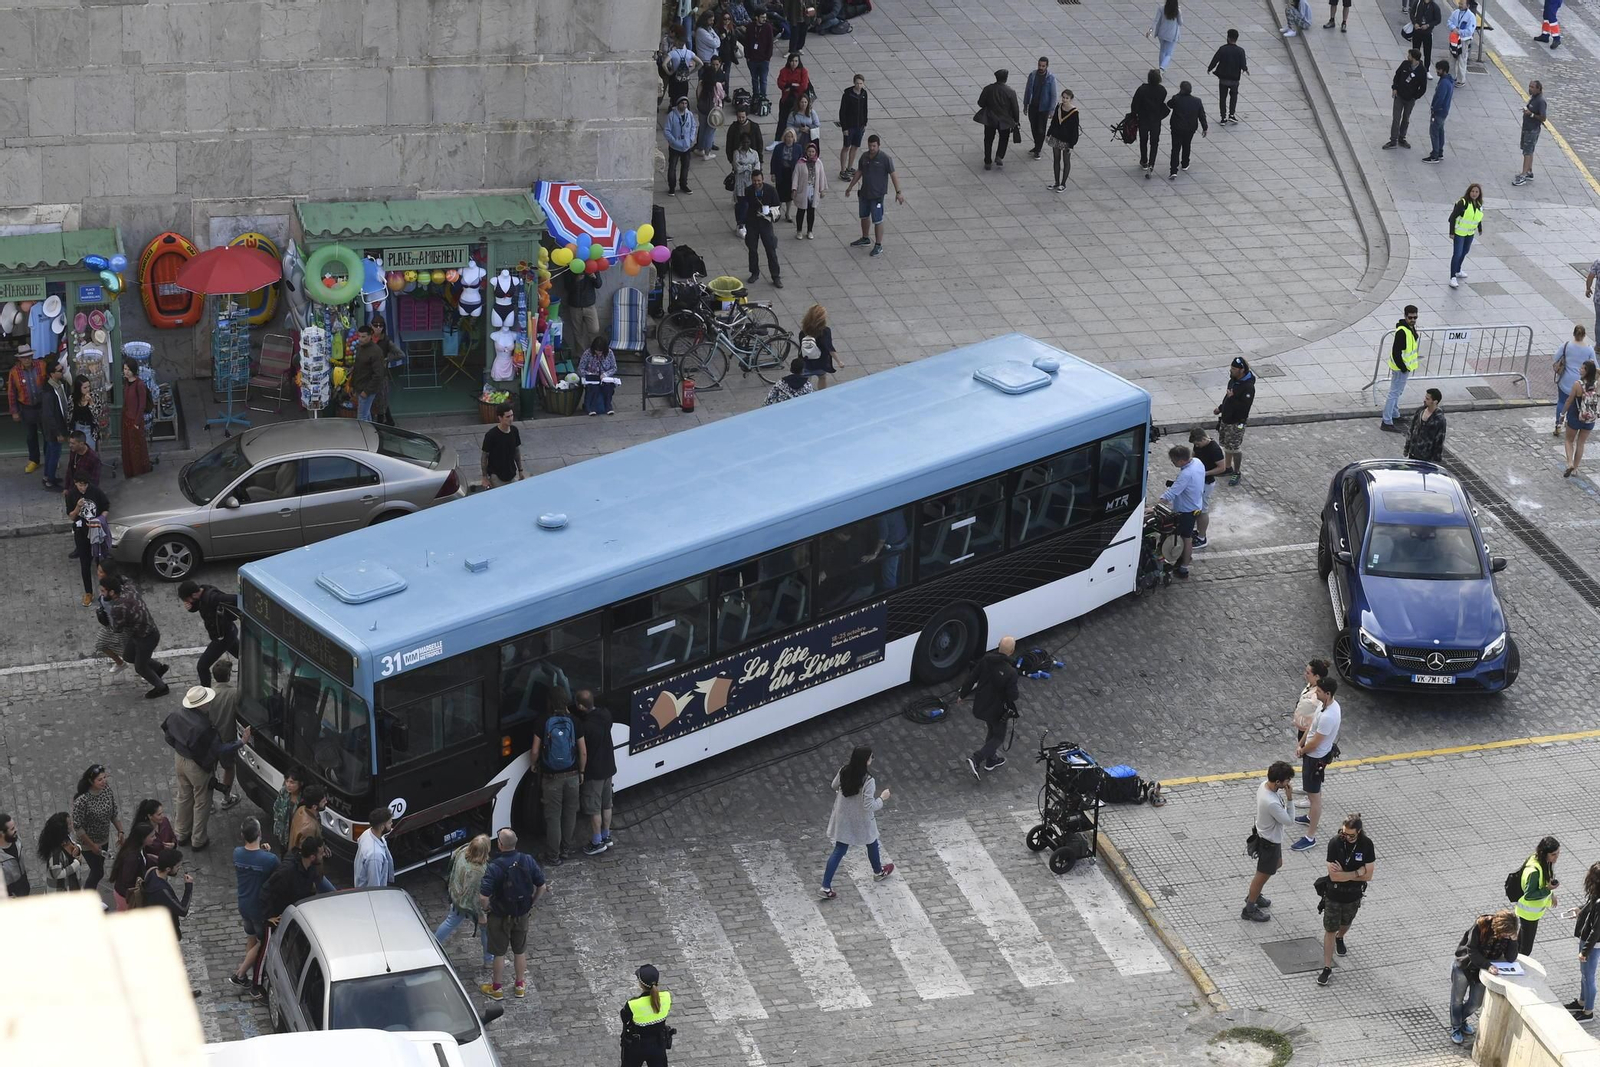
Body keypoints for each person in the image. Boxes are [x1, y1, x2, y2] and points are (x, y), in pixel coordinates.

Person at [163, 687, 251, 851]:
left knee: (184, 796)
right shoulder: (204, 727)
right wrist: (241, 742)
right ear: (201, 705)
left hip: (180, 759)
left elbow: (168, 737)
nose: (210, 703)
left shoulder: (176, 715)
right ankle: (198, 839)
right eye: (207, 702)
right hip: (197, 767)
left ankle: (181, 833)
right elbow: (219, 750)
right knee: (202, 801)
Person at [478, 828, 549, 1000]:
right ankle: (519, 986)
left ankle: (496, 988)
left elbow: (483, 896)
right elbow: (542, 886)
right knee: (520, 950)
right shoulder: (528, 860)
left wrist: (487, 909)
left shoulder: (494, 867)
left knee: (499, 953)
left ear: (500, 845)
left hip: (500, 915)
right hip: (521, 913)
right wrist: (531, 902)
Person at [818, 746, 895, 900]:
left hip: (843, 817)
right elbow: (869, 806)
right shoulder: (868, 780)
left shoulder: (844, 770)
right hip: (861, 819)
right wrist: (882, 798)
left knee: (839, 849)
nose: (872, 759)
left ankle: (825, 886)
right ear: (866, 760)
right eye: (871, 757)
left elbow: (834, 786)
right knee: (872, 841)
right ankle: (878, 872)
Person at [1315, 814, 1375, 985]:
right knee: (1329, 929)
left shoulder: (1366, 845)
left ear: (1359, 832)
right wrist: (1357, 872)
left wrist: (1347, 874)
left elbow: (1369, 875)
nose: (1347, 837)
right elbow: (1334, 877)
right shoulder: (1335, 843)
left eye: (1351, 835)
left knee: (1346, 923)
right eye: (1344, 833)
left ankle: (1341, 937)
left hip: (1353, 895)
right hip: (1334, 894)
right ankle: (1327, 967)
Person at [530, 689, 587, 865]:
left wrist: (533, 764)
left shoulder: (543, 721)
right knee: (570, 813)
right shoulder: (575, 721)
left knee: (553, 817)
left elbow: (535, 750)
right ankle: (566, 850)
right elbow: (583, 751)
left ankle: (553, 856)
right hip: (572, 775)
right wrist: (582, 771)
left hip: (551, 778)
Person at [103, 552, 171, 695]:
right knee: (128, 656)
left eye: (104, 591)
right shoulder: (129, 589)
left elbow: (117, 629)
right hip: (145, 632)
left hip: (146, 638)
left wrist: (104, 618)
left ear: (112, 592)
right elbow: (125, 579)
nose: (102, 593)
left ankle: (161, 688)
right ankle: (159, 668)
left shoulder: (118, 608)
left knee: (140, 667)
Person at [1451, 910, 1519, 1043]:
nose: (1506, 936)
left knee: (1475, 1003)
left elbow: (1511, 958)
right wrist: (1487, 965)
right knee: (1457, 1000)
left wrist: (1514, 940)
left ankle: (1460, 1020)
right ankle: (1456, 1027)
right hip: (1465, 965)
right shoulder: (1481, 924)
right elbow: (1471, 950)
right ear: (1499, 929)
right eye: (1505, 934)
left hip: (1483, 970)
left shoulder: (1511, 932)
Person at [228, 817, 278, 996]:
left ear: (242, 835)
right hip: (259, 908)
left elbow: (251, 857)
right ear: (259, 834)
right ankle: (240, 973)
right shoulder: (270, 860)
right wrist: (267, 852)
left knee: (251, 938)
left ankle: (246, 974)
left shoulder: (237, 853)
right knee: (263, 941)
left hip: (243, 904)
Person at [958, 636, 1019, 779]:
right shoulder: (1011, 672)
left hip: (981, 705)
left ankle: (991, 760)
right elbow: (1013, 696)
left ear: (998, 646)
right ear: (1012, 651)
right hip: (997, 710)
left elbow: (972, 677)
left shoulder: (986, 660)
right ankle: (977, 758)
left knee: (992, 731)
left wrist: (962, 694)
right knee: (998, 737)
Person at [1291, 675, 1341, 852]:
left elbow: (1317, 741)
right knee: (1313, 792)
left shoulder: (1329, 715)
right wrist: (1301, 743)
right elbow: (1312, 727)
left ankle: (1310, 837)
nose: (1316, 693)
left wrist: (1302, 750)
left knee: (1314, 797)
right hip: (1311, 754)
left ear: (1327, 693)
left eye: (1319, 691)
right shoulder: (1325, 705)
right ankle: (1309, 817)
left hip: (1315, 757)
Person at [1243, 761, 1296, 922]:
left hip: (1269, 837)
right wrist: (1290, 799)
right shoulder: (1272, 802)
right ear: (1278, 782)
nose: (1289, 783)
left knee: (1277, 864)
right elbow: (1289, 820)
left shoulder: (1263, 785)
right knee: (1261, 877)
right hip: (1269, 842)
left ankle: (1255, 894)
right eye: (1287, 780)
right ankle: (1250, 907)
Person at [435, 833, 494, 973]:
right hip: (467, 903)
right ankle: (489, 960)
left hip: (457, 897)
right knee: (486, 930)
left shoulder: (462, 851)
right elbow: (476, 896)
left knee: (450, 922)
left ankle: (432, 945)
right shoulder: (478, 871)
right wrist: (482, 913)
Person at [844, 135, 904, 258]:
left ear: (878, 145)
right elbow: (859, 172)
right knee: (864, 216)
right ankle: (865, 238)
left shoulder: (885, 158)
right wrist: (850, 187)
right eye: (870, 145)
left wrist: (898, 192)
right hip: (865, 193)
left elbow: (893, 175)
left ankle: (878, 244)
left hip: (877, 196)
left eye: (874, 146)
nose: (871, 148)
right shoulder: (864, 157)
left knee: (878, 220)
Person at [71, 763, 124, 892]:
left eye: (105, 777)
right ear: (91, 781)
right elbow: (78, 827)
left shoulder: (107, 790)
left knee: (99, 866)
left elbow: (113, 813)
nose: (104, 781)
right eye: (100, 779)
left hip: (103, 839)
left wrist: (120, 830)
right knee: (97, 872)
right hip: (88, 844)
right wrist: (92, 845)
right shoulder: (82, 801)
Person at [1155, 443, 1204, 578]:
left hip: (1185, 511)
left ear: (1181, 461)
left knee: (1183, 538)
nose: (1172, 463)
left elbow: (1171, 494)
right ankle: (1184, 561)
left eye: (1173, 461)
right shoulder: (1198, 462)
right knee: (1186, 536)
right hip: (1196, 506)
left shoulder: (1186, 474)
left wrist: (1155, 507)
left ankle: (1183, 567)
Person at [178, 579, 238, 687]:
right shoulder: (202, 591)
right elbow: (200, 605)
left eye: (188, 599)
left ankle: (206, 695)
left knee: (202, 666)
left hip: (223, 637)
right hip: (229, 632)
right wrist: (192, 608)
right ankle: (273, 662)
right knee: (243, 654)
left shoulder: (213, 598)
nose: (187, 602)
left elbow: (235, 599)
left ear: (194, 594)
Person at [65, 469, 111, 606]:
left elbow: (106, 507)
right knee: (85, 563)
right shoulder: (72, 494)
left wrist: (100, 519)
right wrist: (78, 507)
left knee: (100, 562)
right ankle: (88, 593)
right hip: (82, 534)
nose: (83, 487)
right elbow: (72, 516)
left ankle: (105, 591)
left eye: (85, 485)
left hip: (96, 531)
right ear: (75, 483)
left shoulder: (95, 491)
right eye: (80, 485)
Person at [1291, 661, 1330, 810]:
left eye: (1308, 673)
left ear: (1317, 676)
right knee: (1306, 763)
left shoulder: (1319, 696)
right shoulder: (1312, 687)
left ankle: (1312, 795)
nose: (1305, 674)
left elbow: (1316, 716)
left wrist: (1302, 743)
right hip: (1304, 728)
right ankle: (1308, 787)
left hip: (1311, 732)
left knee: (1312, 765)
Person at [1514, 836, 1562, 953]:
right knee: (1526, 949)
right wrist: (1548, 890)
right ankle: (1517, 965)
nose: (1556, 857)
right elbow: (1529, 895)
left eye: (1558, 853)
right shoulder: (1534, 871)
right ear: (1545, 853)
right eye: (1553, 854)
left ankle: (1512, 957)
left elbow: (1545, 881)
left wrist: (1551, 893)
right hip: (1529, 914)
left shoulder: (1542, 861)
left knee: (1520, 941)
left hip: (1531, 913)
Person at [621, 964, 674, 1067]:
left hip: (636, 1046)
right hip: (658, 1044)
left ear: (641, 984)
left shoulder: (633, 1004)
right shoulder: (666, 997)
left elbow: (624, 1018)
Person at [7, 343, 47, 474]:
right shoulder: (14, 372)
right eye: (24, 357)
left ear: (32, 356)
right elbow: (11, 392)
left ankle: (50, 458)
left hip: (42, 405)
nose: (27, 359)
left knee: (47, 433)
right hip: (26, 407)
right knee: (31, 435)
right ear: (20, 359)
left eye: (29, 356)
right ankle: (34, 460)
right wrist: (14, 411)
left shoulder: (42, 365)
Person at [1568, 861, 1599, 1021]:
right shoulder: (1597, 894)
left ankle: (1588, 1012)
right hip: (1588, 941)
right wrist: (1580, 910)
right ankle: (1581, 1002)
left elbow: (1596, 931)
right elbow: (1590, 905)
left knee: (1589, 976)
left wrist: (1585, 951)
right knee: (1584, 974)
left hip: (1592, 945)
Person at [742, 169, 783, 288]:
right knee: (752, 249)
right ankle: (754, 273)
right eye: (754, 181)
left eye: (759, 180)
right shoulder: (748, 190)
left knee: (771, 250)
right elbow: (746, 206)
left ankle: (776, 276)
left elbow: (777, 205)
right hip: (752, 223)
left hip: (766, 223)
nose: (756, 183)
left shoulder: (771, 190)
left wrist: (769, 212)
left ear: (763, 180)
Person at [1382, 306, 1420, 431]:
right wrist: (1403, 368)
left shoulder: (1410, 328)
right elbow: (1396, 352)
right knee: (1394, 393)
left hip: (1404, 367)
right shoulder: (1402, 332)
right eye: (1410, 317)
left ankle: (1394, 415)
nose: (1413, 320)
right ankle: (1386, 421)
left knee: (1397, 392)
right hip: (1400, 368)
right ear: (1405, 316)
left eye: (1415, 317)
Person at [141, 848, 193, 938]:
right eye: (177, 867)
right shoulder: (162, 890)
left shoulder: (152, 871)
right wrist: (189, 886)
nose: (179, 869)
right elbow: (183, 910)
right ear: (168, 869)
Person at [1188, 426, 1227, 547]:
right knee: (1196, 508)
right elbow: (1194, 455)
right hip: (1197, 480)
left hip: (1206, 482)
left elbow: (1222, 468)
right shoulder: (1198, 445)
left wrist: (1204, 473)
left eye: (1198, 443)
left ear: (1203, 439)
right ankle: (1198, 531)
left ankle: (1202, 537)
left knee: (1203, 510)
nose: (1197, 446)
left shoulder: (1215, 449)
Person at [1552, 326, 1594, 438]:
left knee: (1562, 401)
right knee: (1577, 404)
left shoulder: (1566, 346)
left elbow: (1555, 357)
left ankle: (1558, 425)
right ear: (1584, 335)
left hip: (1565, 380)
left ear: (1573, 334)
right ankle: (1574, 423)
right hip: (1581, 383)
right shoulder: (1589, 349)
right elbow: (1595, 366)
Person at [976, 69, 1020, 171]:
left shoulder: (988, 89)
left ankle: (987, 161)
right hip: (1004, 119)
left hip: (990, 119)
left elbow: (980, 103)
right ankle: (999, 155)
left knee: (988, 139)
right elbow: (1015, 108)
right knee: (1004, 138)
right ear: (1006, 78)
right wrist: (1016, 121)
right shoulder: (1010, 92)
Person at [1383, 49, 1428, 150]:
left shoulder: (1421, 71)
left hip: (1410, 99)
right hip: (1399, 96)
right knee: (1396, 118)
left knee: (1406, 118)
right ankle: (1393, 140)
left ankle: (1402, 138)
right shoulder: (1405, 64)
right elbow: (1397, 76)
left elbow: (1423, 87)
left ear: (1413, 57)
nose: (1408, 56)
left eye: (1409, 55)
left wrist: (1415, 97)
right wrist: (1394, 88)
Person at [110, 821, 159, 910]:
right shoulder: (132, 858)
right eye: (152, 836)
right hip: (126, 897)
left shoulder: (138, 847)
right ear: (143, 838)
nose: (154, 838)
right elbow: (128, 880)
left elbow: (144, 860)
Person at [1561, 359, 1598, 477]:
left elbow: (1569, 401)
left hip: (1575, 415)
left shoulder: (1578, 384)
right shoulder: (1597, 384)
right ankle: (1576, 468)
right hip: (1590, 417)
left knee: (1569, 440)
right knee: (1581, 443)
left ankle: (1570, 463)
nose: (1580, 370)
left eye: (1582, 368)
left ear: (1586, 371)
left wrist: (1562, 415)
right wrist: (1593, 368)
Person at [1166, 80, 1207, 181]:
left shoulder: (1176, 99)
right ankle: (1185, 163)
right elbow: (1202, 115)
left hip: (1177, 128)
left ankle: (1173, 171)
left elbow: (1169, 104)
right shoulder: (1197, 101)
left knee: (1175, 149)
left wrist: (1178, 95)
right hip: (1190, 128)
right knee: (1187, 145)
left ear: (1181, 89)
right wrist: (1205, 127)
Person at [1132, 70, 1170, 178]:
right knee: (1154, 143)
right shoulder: (1162, 90)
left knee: (1143, 140)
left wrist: (1134, 115)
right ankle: (1151, 164)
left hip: (1143, 119)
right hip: (1155, 120)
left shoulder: (1141, 90)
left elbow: (1134, 104)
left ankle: (1144, 160)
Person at [37, 812, 86, 892]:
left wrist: (78, 848)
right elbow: (57, 874)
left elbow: (73, 845)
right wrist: (77, 863)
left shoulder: (65, 838)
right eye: (69, 824)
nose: (72, 825)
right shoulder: (55, 854)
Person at [1207, 30, 1248, 125]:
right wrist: (1245, 69)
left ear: (1228, 38)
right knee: (1233, 97)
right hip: (1234, 79)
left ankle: (1223, 117)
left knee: (1223, 98)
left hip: (1223, 78)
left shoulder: (1222, 49)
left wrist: (1210, 68)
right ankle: (1232, 115)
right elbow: (1243, 64)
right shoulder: (1240, 51)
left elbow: (1215, 60)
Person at [119, 361, 152, 478]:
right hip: (126, 420)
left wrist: (137, 422)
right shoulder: (127, 383)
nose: (126, 372)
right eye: (124, 369)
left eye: (128, 369)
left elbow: (142, 405)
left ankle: (140, 472)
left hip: (135, 421)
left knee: (137, 449)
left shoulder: (139, 385)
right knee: (128, 448)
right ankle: (130, 472)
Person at [480, 403, 525, 489]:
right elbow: (484, 456)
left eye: (512, 415)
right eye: (507, 417)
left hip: (511, 474)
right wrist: (484, 477)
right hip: (497, 476)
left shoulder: (514, 431)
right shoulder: (491, 435)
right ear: (500, 418)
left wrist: (520, 470)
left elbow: (516, 451)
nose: (511, 419)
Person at [40, 360, 69, 490]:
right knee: (54, 454)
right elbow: (49, 415)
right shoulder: (48, 392)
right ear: (52, 374)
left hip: (56, 426)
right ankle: (50, 480)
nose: (62, 371)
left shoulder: (58, 386)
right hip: (53, 429)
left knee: (52, 453)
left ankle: (48, 477)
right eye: (59, 370)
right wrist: (58, 432)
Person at [562, 264, 603, 357]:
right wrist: (576, 281)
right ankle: (582, 356)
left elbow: (599, 284)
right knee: (578, 333)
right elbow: (567, 287)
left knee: (594, 329)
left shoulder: (592, 265)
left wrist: (594, 277)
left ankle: (594, 353)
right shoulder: (570, 267)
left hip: (589, 304)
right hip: (575, 305)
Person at [1022, 57, 1059, 159]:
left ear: (1047, 66)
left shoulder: (1050, 78)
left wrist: (1052, 110)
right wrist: (1026, 104)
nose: (1041, 67)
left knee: (1041, 129)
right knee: (1034, 127)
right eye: (1039, 65)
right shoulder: (1033, 75)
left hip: (1044, 108)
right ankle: (1036, 145)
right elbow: (1027, 90)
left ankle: (1038, 149)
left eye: (1043, 66)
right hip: (1033, 106)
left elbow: (1053, 95)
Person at [350, 325, 387, 422]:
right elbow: (357, 368)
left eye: (363, 337)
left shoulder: (376, 351)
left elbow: (378, 375)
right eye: (359, 336)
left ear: (370, 336)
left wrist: (366, 391)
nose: (360, 339)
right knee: (366, 415)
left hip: (366, 390)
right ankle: (372, 433)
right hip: (360, 387)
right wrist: (352, 385)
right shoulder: (360, 348)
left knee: (362, 418)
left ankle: (365, 436)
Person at [1045, 89, 1079, 192]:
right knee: (1056, 159)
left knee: (1066, 161)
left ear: (1071, 99)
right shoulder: (1059, 107)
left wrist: (1072, 145)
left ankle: (1063, 184)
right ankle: (1056, 182)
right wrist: (1048, 134)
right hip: (1056, 137)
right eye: (1063, 97)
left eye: (1067, 98)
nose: (1064, 100)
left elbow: (1074, 129)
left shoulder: (1074, 112)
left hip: (1066, 140)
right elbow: (1054, 121)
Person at [1514, 81, 1547, 187]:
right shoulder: (1533, 97)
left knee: (1527, 152)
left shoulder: (1541, 101)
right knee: (1529, 150)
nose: (1530, 88)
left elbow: (1543, 118)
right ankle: (1529, 171)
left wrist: (1531, 114)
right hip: (1527, 128)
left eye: (1532, 87)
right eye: (1529, 86)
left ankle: (1523, 175)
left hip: (1532, 130)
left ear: (1538, 89)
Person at [353, 806, 395, 888]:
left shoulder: (368, 832)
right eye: (389, 823)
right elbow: (374, 885)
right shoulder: (375, 855)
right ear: (382, 827)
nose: (392, 824)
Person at [792, 140, 826, 239]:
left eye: (813, 152)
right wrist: (794, 189)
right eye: (809, 151)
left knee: (811, 211)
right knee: (801, 210)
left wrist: (822, 189)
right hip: (803, 190)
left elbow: (822, 176)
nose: (811, 154)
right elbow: (796, 176)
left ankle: (810, 231)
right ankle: (799, 231)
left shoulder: (818, 163)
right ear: (806, 152)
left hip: (813, 191)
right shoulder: (800, 163)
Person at [664, 95, 697, 196]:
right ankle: (672, 187)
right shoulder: (672, 116)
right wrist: (673, 141)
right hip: (675, 146)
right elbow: (667, 130)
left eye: (686, 103)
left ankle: (683, 185)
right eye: (682, 103)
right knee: (672, 167)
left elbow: (693, 127)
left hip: (686, 146)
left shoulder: (689, 114)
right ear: (678, 104)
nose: (684, 105)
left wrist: (691, 138)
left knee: (685, 167)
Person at [798, 303, 837, 389]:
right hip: (820, 362)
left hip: (806, 361)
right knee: (822, 377)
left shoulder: (803, 332)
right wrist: (839, 361)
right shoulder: (825, 331)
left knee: (805, 381)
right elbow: (829, 347)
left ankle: (806, 395)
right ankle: (821, 396)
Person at [577, 337, 619, 416]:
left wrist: (605, 374)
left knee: (609, 388)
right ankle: (590, 407)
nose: (599, 354)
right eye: (597, 352)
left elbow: (614, 368)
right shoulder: (587, 353)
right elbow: (580, 369)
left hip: (604, 378)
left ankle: (608, 406)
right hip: (592, 378)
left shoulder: (610, 353)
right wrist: (589, 374)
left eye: (601, 352)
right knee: (594, 388)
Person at [838, 74, 869, 181]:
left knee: (855, 146)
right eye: (857, 83)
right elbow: (842, 112)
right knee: (846, 147)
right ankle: (842, 170)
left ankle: (849, 168)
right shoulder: (847, 95)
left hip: (859, 126)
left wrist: (864, 123)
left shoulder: (864, 94)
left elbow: (865, 109)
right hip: (849, 126)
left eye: (861, 83)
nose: (859, 86)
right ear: (854, 83)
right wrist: (844, 128)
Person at [1422, 60, 1453, 162]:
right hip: (1444, 111)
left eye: (1438, 69)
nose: (1437, 71)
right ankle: (1439, 152)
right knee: (1440, 131)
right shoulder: (1448, 81)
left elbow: (1440, 98)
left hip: (1439, 112)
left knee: (1434, 132)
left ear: (1443, 70)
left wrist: (1434, 108)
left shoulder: (1443, 83)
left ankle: (1434, 155)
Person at [770, 127, 803, 221]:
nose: (789, 139)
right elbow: (774, 161)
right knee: (779, 194)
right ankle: (777, 212)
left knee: (790, 195)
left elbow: (801, 162)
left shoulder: (798, 148)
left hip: (792, 174)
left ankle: (788, 213)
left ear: (794, 138)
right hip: (781, 173)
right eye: (787, 136)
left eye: (791, 137)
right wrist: (773, 173)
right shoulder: (778, 147)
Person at [1404, 388, 1447, 461]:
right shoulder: (1420, 410)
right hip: (1413, 452)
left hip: (1425, 457)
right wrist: (1407, 448)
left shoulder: (1439, 419)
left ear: (1435, 402)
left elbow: (1439, 440)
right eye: (1425, 397)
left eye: (1427, 399)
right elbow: (1411, 429)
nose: (1424, 400)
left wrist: (1436, 459)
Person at [731, 134, 761, 238]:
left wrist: (745, 166)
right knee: (741, 204)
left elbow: (757, 168)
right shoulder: (737, 153)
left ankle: (748, 223)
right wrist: (748, 166)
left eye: (747, 142)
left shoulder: (754, 153)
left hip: (750, 183)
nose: (746, 144)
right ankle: (740, 224)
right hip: (740, 183)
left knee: (750, 204)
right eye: (744, 142)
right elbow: (737, 168)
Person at [660, 28, 699, 106]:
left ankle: (673, 107)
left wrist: (669, 72)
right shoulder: (689, 53)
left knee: (674, 95)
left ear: (677, 43)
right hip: (685, 76)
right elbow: (701, 63)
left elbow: (664, 64)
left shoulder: (673, 53)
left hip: (675, 76)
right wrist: (691, 71)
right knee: (683, 94)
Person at [775, 52, 811, 136]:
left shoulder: (803, 71)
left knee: (796, 120)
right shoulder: (784, 71)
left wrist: (790, 86)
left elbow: (804, 86)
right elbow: (781, 83)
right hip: (786, 99)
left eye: (796, 61)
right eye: (792, 61)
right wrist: (794, 85)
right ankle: (778, 139)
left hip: (798, 99)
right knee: (782, 120)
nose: (794, 63)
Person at [743, 10, 775, 103]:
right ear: (756, 17)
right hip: (752, 59)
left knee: (763, 79)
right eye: (762, 17)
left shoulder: (768, 27)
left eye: (765, 17)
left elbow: (770, 43)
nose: (764, 19)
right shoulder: (750, 27)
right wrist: (747, 56)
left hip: (763, 60)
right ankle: (756, 95)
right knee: (754, 79)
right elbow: (746, 42)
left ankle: (763, 96)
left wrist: (767, 57)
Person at [695, 56, 723, 158]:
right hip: (713, 110)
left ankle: (700, 148)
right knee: (710, 131)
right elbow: (722, 96)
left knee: (702, 129)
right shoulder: (717, 85)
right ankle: (707, 153)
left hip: (702, 108)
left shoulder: (701, 83)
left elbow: (698, 94)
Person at [723, 105, 763, 173]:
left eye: (743, 117)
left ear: (746, 116)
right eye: (739, 117)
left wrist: (760, 160)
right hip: (739, 157)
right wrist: (731, 160)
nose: (741, 119)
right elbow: (729, 145)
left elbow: (759, 143)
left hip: (752, 156)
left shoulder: (754, 126)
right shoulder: (733, 128)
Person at [271, 767, 303, 849]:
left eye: (292, 782)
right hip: (283, 834)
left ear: (300, 783)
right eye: (287, 781)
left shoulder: (303, 799)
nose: (288, 785)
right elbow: (276, 808)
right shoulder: (283, 792)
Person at [1446, 0, 1476, 84]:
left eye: (1462, 4)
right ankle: (1451, 76)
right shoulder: (1456, 12)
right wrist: (1453, 28)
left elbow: (1470, 31)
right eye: (1460, 3)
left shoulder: (1471, 17)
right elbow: (1449, 21)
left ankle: (1460, 80)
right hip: (1454, 39)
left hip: (1463, 40)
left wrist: (1459, 32)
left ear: (1468, 5)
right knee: (1452, 58)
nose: (1460, 5)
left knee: (1461, 60)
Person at [0, 814, 29, 898]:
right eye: (12, 829)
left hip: (23, 889)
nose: (16, 830)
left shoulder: (17, 840)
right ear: (2, 833)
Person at [1148, 0, 1183, 68]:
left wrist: (1150, 31)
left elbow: (1156, 20)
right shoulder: (1177, 11)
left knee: (1162, 51)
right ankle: (1162, 68)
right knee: (1168, 53)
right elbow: (1180, 23)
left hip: (1162, 33)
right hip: (1172, 35)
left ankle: (1160, 67)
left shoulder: (1161, 8)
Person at [1411, 0, 1442, 74]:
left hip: (1427, 33)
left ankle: (1426, 70)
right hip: (1417, 31)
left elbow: (1438, 20)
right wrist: (1414, 23)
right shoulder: (1418, 3)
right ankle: (1414, 67)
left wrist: (1428, 25)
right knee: (1415, 50)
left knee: (1427, 53)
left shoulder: (1435, 7)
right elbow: (1412, 13)